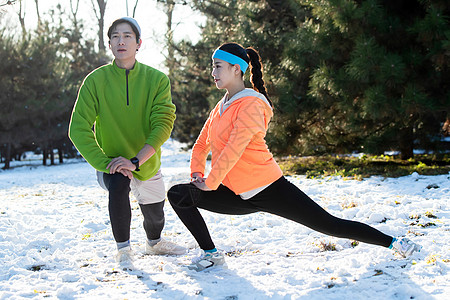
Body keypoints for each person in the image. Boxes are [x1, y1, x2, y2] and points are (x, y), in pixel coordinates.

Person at [167, 42, 422, 271]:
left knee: (330, 225)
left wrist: (211, 182)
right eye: (213, 66)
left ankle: (394, 242)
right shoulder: (220, 106)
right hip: (235, 193)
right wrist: (198, 174)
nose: (213, 72)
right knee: (179, 194)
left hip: (268, 188)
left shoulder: (252, 104)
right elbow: (201, 145)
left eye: (218, 66)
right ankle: (211, 254)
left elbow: (236, 147)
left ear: (237, 69)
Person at [69, 17, 185, 266]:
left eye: (127, 36)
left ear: (138, 43)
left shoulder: (157, 79)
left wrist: (135, 160)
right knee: (120, 183)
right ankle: (123, 250)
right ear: (109, 44)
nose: (121, 41)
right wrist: (106, 163)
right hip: (110, 164)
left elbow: (163, 124)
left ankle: (154, 243)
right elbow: (78, 129)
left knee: (155, 216)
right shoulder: (95, 81)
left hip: (145, 161)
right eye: (115, 36)